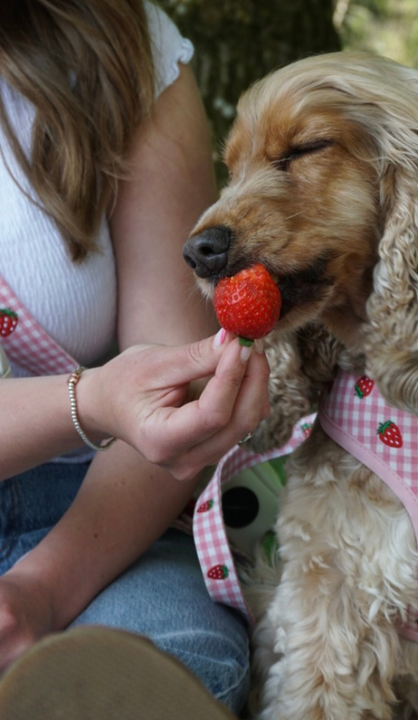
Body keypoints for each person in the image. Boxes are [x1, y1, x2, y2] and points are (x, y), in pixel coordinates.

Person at [0, 0, 268, 714]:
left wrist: (41, 590)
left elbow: (169, 367)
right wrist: (94, 399)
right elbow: (118, 395)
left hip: (101, 513)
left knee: (170, 663)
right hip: (99, 442)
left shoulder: (112, 33)